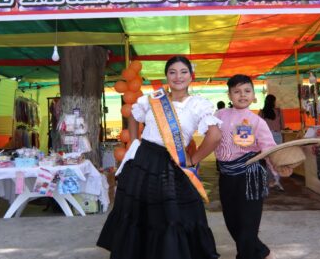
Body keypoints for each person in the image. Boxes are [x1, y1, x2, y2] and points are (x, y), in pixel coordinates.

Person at [97, 56, 222, 259]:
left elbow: (215, 136)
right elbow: (134, 115)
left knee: (173, 214)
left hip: (172, 164)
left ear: (191, 76)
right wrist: (135, 142)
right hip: (143, 161)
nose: (178, 76)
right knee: (141, 212)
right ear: (167, 76)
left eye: (183, 72)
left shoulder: (198, 104)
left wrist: (193, 159)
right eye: (172, 72)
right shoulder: (154, 98)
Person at [215, 74, 283, 259]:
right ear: (229, 95)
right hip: (226, 176)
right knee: (232, 221)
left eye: (247, 91)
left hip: (250, 176)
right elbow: (209, 137)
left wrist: (278, 168)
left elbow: (269, 148)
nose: (242, 95)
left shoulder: (257, 122)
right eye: (236, 91)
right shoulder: (219, 115)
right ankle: (261, 251)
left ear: (254, 95)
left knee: (248, 223)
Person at [258, 94, 284, 190]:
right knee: (277, 159)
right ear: (274, 102)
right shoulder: (278, 111)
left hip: (265, 137)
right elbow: (283, 126)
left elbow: (258, 127)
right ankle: (277, 181)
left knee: (267, 160)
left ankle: (269, 181)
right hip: (277, 136)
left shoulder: (261, 112)